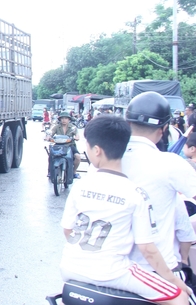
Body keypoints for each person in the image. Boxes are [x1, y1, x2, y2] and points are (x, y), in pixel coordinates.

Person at [60, 115, 190, 304]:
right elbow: (147, 249)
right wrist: (174, 280)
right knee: (180, 297)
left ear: (96, 150)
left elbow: (67, 230)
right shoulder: (135, 193)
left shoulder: (81, 186)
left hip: (70, 267)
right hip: (112, 272)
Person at [122, 92, 196, 297]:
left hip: (112, 269)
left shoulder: (107, 161)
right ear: (164, 129)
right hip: (157, 272)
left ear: (128, 124)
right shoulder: (171, 163)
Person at [47, 112, 82, 179]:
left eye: (66, 118)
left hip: (70, 145)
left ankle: (74, 172)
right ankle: (50, 171)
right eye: (62, 118)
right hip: (58, 146)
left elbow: (77, 135)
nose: (64, 120)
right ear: (60, 119)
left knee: (77, 157)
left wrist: (76, 137)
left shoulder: (72, 127)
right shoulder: (56, 127)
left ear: (69, 119)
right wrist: (48, 137)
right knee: (51, 156)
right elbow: (51, 133)